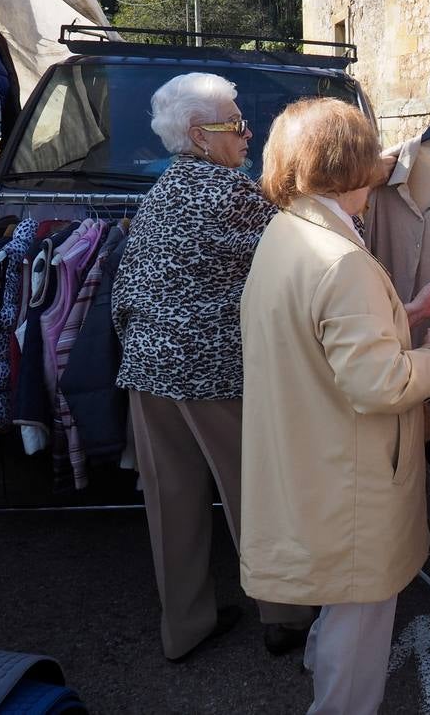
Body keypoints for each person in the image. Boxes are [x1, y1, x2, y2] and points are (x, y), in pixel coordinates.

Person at [239, 97, 430, 715]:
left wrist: (408, 313)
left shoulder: (288, 233)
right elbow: (379, 384)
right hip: (351, 470)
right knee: (362, 612)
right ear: (354, 167)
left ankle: (321, 671)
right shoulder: (340, 258)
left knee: (340, 598)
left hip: (313, 452)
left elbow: (319, 335)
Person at [112, 72, 314, 662]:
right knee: (255, 494)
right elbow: (298, 264)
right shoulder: (231, 193)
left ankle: (184, 627)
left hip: (147, 369)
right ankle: (284, 616)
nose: (248, 135)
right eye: (237, 124)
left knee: (170, 505)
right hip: (214, 375)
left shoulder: (162, 190)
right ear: (200, 134)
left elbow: (127, 287)